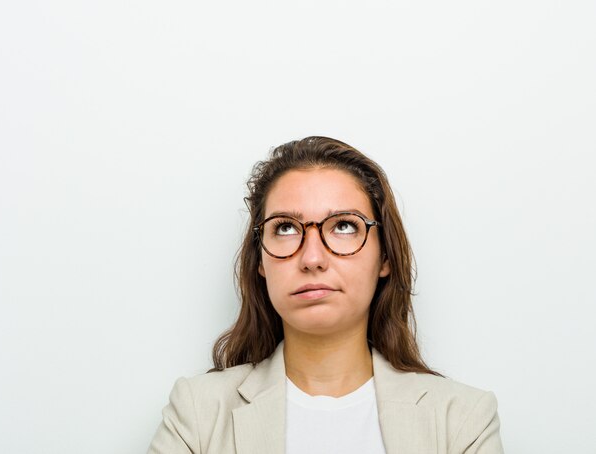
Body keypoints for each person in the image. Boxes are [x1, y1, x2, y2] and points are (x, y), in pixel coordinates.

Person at [147, 136, 504, 454]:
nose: (312, 258)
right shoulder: (197, 411)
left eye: (344, 226)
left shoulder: (462, 420)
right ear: (260, 260)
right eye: (285, 228)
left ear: (385, 257)